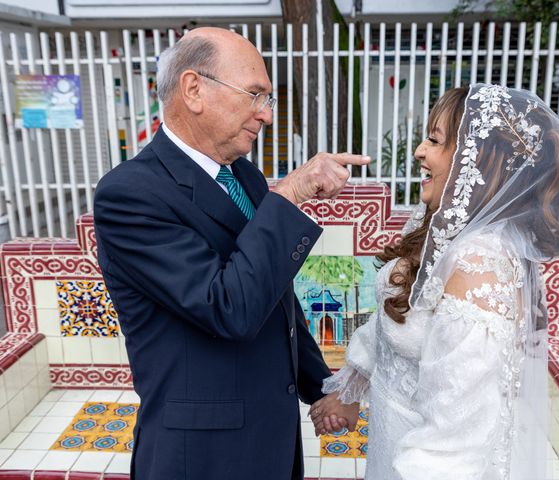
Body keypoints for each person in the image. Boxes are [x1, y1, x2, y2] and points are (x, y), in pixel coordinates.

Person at [93, 27, 368, 480]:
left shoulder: (245, 176)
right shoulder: (131, 194)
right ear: (194, 89)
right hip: (202, 455)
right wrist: (292, 192)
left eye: (269, 99)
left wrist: (323, 388)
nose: (266, 115)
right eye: (255, 95)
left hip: (270, 437)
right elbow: (229, 308)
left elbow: (274, 295)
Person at [311, 84, 559, 480]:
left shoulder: (478, 265)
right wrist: (350, 390)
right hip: (393, 435)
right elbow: (394, 323)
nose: (420, 150)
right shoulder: (438, 223)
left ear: (479, 162)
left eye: (435, 140)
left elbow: (454, 444)